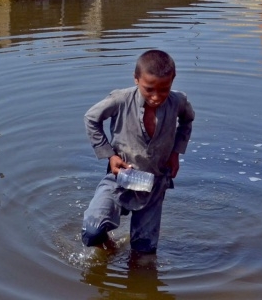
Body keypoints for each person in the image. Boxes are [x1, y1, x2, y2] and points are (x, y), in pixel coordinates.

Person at [81, 49, 195, 254]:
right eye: (149, 89)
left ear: (173, 80)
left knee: (144, 252)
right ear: (136, 79)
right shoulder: (121, 99)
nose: (156, 97)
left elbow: (187, 120)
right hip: (120, 176)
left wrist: (176, 153)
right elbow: (91, 119)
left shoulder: (178, 102)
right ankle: (109, 246)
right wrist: (110, 155)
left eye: (164, 89)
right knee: (92, 232)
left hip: (155, 180)